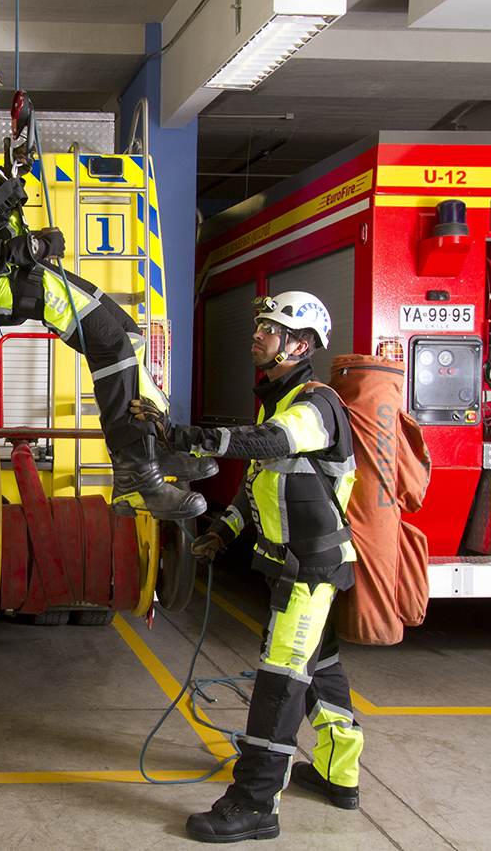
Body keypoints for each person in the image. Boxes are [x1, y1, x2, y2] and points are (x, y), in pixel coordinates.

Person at [0, 51, 207, 519]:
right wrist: (30, 250)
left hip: (27, 273)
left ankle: (154, 447)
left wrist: (13, 175)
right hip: (8, 284)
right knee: (110, 343)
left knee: (127, 334)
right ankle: (137, 478)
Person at [131, 290, 364, 843]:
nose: (256, 334)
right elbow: (262, 478)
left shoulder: (316, 404)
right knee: (321, 672)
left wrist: (180, 434)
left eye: (269, 328)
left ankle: (256, 804)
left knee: (279, 682)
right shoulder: (277, 403)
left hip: (312, 572)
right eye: (258, 325)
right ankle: (339, 774)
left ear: (298, 345)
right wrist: (222, 531)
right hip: (303, 567)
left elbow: (269, 442)